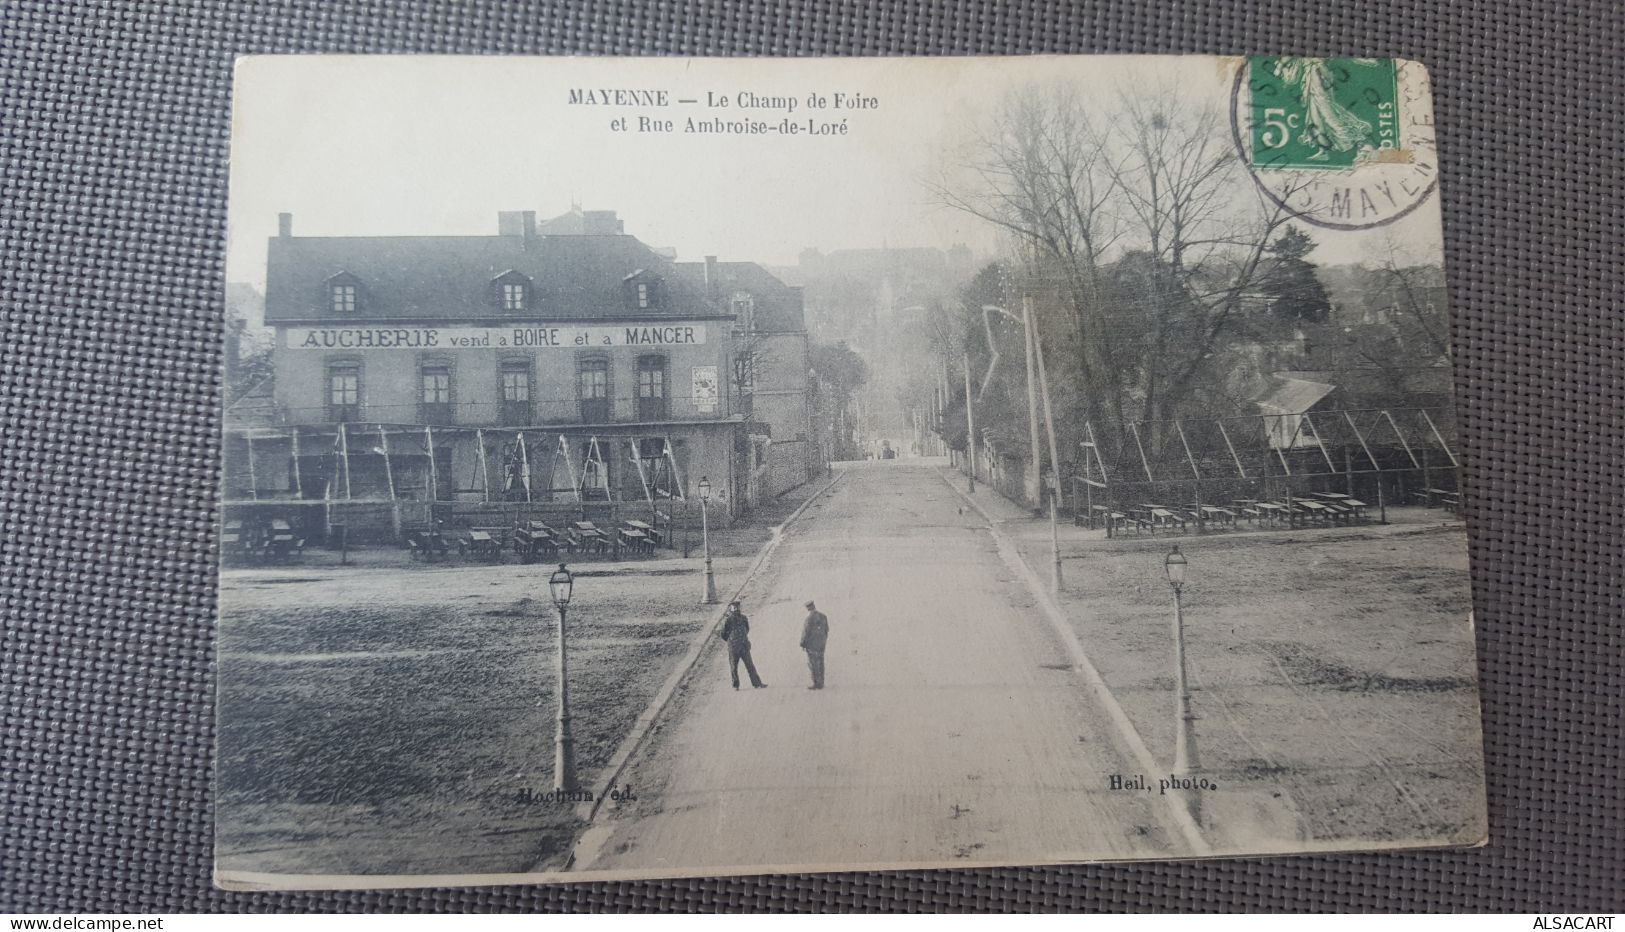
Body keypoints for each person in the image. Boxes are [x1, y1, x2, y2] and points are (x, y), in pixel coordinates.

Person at [718, 600, 765, 690]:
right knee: (734, 667)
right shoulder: (728, 620)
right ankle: (736, 685)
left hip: (744, 646)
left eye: (737, 607)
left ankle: (757, 684)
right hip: (733, 647)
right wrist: (731, 641)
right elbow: (723, 634)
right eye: (734, 607)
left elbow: (747, 629)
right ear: (730, 609)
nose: (736, 609)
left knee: (750, 665)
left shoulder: (743, 618)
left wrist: (743, 638)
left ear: (740, 608)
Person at [799, 600, 829, 690]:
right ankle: (821, 682)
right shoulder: (823, 616)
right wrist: (823, 639)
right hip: (821, 643)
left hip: (812, 644)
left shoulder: (809, 618)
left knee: (813, 663)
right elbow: (827, 629)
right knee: (821, 661)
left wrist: (802, 643)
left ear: (808, 608)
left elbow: (806, 632)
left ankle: (816, 683)